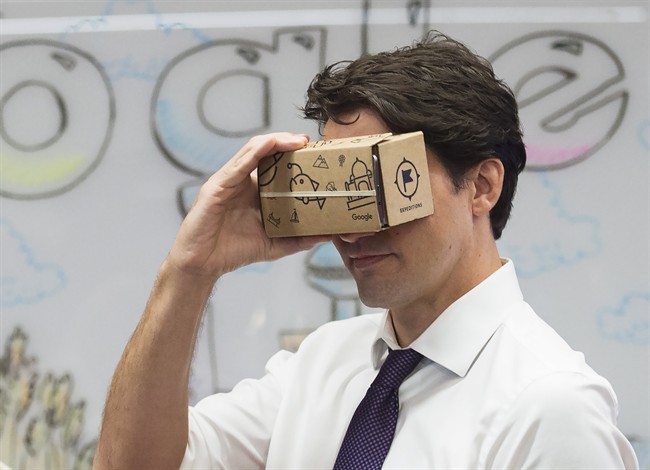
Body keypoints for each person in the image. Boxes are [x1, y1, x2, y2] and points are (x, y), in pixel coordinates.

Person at [93, 32, 638, 469]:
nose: (352, 233)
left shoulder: (549, 407)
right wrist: (189, 270)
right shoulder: (322, 365)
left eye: (383, 187)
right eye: (339, 190)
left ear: (481, 186)